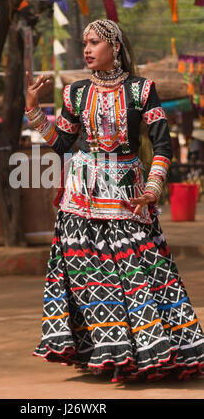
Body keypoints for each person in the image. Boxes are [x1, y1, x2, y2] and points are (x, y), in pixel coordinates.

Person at [24, 19, 204, 382]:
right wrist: (32, 110)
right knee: (92, 278)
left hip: (128, 196)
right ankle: (112, 356)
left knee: (138, 275)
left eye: (93, 43)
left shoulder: (142, 90)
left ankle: (151, 353)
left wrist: (152, 191)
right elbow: (61, 143)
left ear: (115, 47)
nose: (87, 49)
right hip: (81, 199)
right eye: (84, 43)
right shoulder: (75, 93)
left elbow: (163, 145)